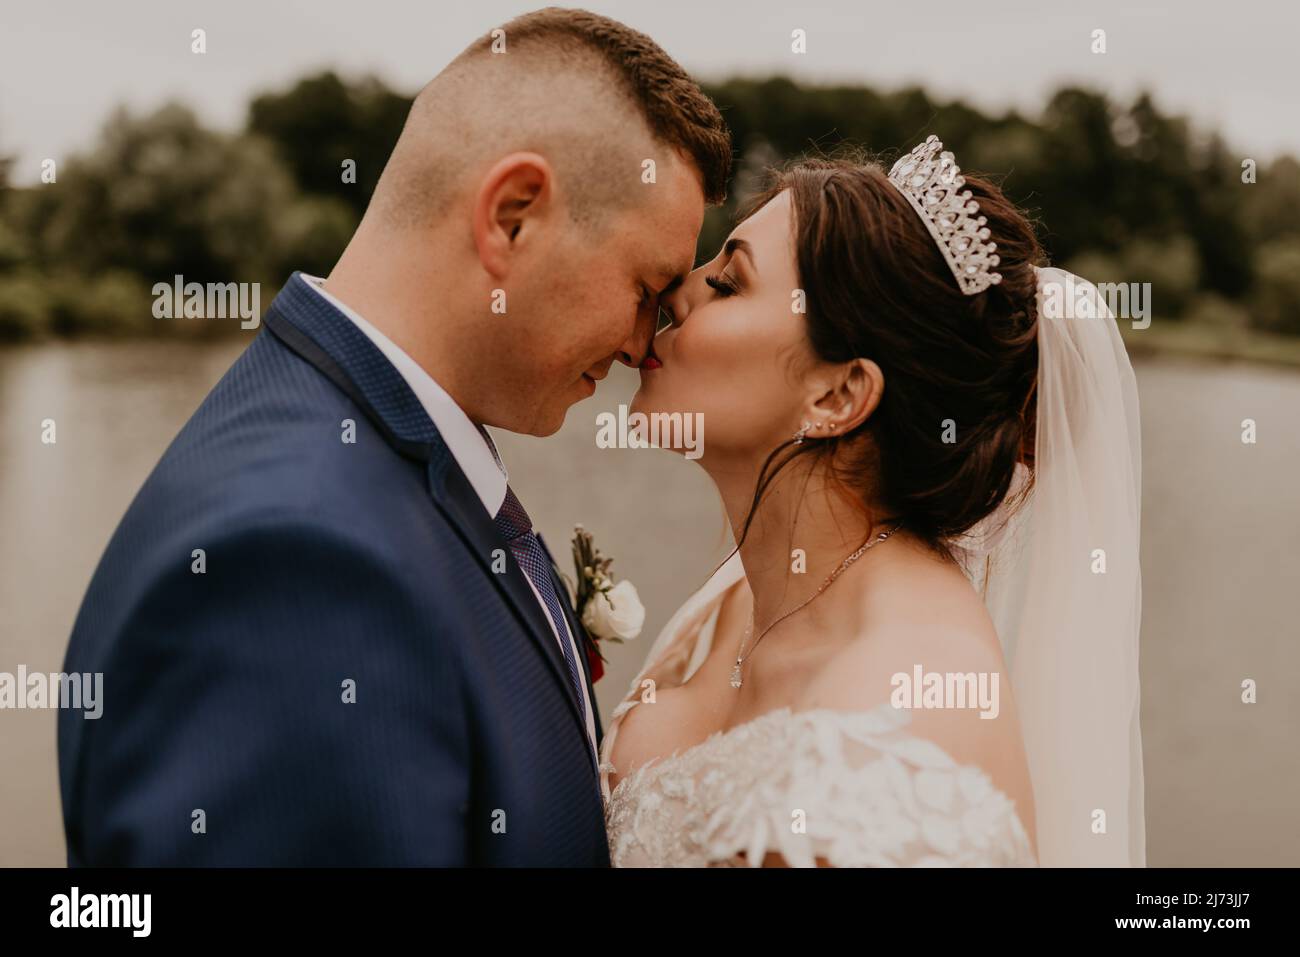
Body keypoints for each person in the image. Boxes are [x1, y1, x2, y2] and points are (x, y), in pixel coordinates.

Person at [58, 7, 731, 866]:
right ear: (512, 217)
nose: (646, 345)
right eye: (646, 287)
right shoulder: (296, 568)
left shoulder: (378, 443)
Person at [601, 138, 1145, 867]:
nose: (676, 289)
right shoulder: (744, 593)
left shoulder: (904, 716)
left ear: (839, 394)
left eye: (727, 283)